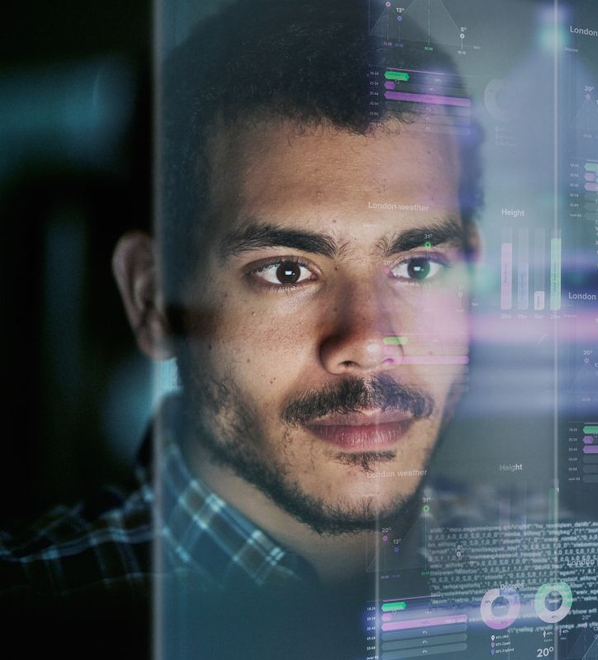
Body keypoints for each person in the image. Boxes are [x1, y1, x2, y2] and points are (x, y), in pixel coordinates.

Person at [1, 0, 481, 655]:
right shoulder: (32, 606)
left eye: (418, 265)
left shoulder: (567, 554)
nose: (370, 342)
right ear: (151, 298)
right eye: (286, 271)